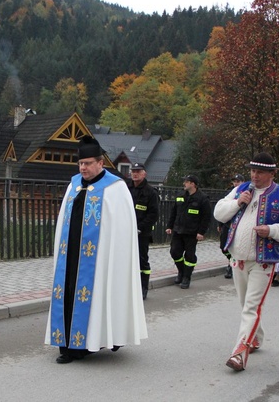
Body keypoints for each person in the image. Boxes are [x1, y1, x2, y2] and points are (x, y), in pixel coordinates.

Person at [45, 136, 147, 364]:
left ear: (101, 163)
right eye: (80, 163)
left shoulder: (115, 188)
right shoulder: (73, 185)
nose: (83, 167)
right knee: (69, 294)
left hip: (99, 259)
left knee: (98, 295)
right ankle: (66, 345)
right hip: (70, 256)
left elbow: (121, 231)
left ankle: (87, 344)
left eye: (88, 163)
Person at [214, 152, 279, 372]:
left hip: (263, 261)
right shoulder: (241, 190)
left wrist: (271, 230)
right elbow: (219, 213)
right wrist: (236, 203)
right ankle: (257, 338)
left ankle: (239, 353)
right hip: (238, 258)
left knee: (251, 306)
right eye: (253, 170)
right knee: (245, 304)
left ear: (271, 174)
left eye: (260, 172)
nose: (255, 175)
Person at [166, 174, 211, 289]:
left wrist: (201, 232)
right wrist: (169, 226)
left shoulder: (202, 198)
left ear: (193, 184)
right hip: (178, 230)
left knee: (189, 256)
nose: (184, 184)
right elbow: (174, 212)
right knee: (175, 252)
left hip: (192, 232)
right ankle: (181, 271)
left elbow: (206, 217)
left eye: (186, 182)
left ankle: (186, 277)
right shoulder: (180, 195)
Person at [127, 162, 160, 300]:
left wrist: (139, 228)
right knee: (126, 261)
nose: (135, 173)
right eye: (133, 171)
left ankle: (143, 287)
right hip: (126, 232)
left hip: (142, 233)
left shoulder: (150, 192)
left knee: (142, 261)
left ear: (144, 173)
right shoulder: (126, 189)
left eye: (138, 171)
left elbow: (153, 215)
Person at [219, 174, 244, 279]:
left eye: (238, 181)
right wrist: (219, 224)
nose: (235, 184)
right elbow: (222, 210)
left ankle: (231, 266)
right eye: (234, 181)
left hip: (239, 225)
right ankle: (231, 260)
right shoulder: (229, 193)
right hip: (227, 224)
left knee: (235, 246)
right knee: (223, 247)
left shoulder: (246, 194)